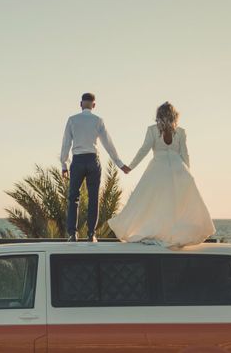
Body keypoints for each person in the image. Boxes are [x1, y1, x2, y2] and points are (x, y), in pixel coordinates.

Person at [107, 102, 216, 247]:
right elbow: (185, 154)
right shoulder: (181, 132)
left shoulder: (152, 130)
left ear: (158, 115)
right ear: (174, 116)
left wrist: (131, 167)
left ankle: (159, 232)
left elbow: (144, 150)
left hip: (158, 169)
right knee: (174, 204)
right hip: (178, 169)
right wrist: (187, 174)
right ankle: (171, 234)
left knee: (152, 201)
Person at [60, 92, 130, 242]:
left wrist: (64, 165)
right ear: (94, 105)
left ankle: (72, 234)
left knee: (73, 198)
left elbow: (66, 143)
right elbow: (108, 144)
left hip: (77, 161)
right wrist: (120, 164)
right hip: (93, 160)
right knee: (93, 198)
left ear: (80, 104)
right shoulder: (98, 120)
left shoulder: (72, 120)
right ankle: (91, 234)